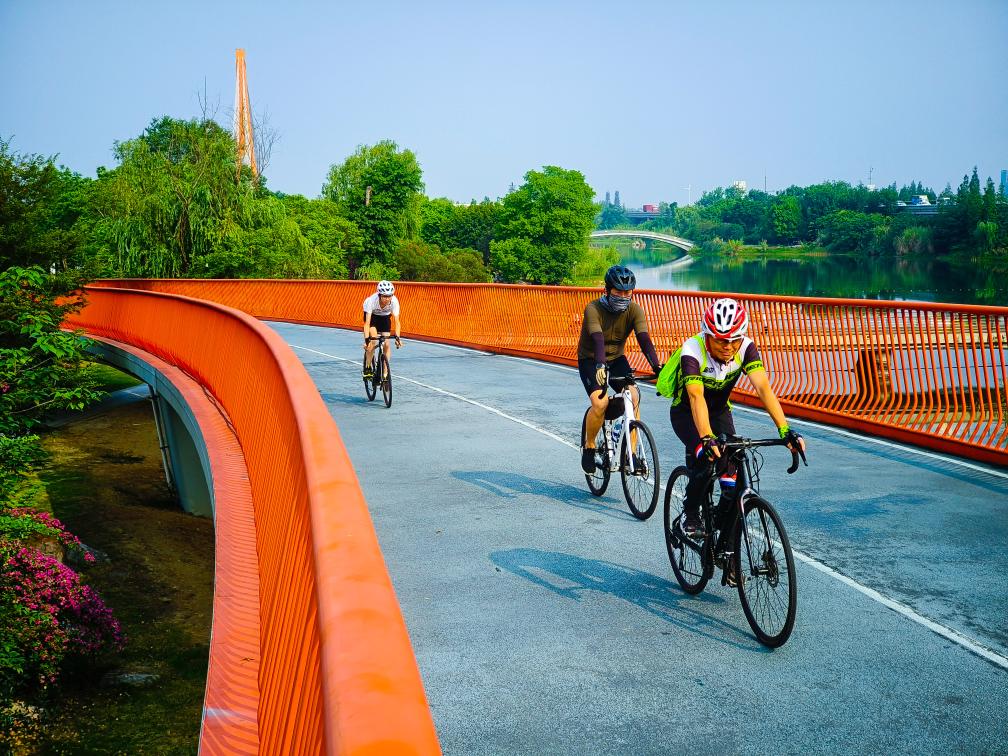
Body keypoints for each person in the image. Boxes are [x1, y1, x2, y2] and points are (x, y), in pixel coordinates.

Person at [667, 297, 806, 555]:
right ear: (707, 335)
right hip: (687, 414)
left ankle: (725, 545)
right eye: (721, 340)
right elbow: (696, 397)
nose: (729, 346)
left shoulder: (746, 348)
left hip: (720, 412)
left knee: (732, 476)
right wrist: (706, 437)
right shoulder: (692, 349)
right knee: (707, 457)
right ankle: (690, 513)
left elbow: (763, 388)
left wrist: (784, 430)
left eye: (735, 340)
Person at [578, 265, 662, 475]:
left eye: (627, 292)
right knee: (600, 402)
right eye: (618, 292)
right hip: (591, 359)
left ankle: (629, 454)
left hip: (616, 359)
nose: (623, 297)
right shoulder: (593, 308)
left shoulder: (634, 310)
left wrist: (657, 366)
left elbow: (644, 339)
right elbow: (597, 338)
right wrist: (599, 364)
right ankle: (589, 447)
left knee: (633, 396)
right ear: (607, 290)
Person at [362, 280, 402, 377]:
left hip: (385, 317)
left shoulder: (394, 301)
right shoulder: (371, 301)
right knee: (373, 340)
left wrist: (398, 338)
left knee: (387, 343)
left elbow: (397, 322)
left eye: (389, 296)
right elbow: (367, 323)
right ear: (379, 295)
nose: (387, 299)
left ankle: (385, 372)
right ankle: (368, 367)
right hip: (373, 317)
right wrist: (367, 340)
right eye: (384, 296)